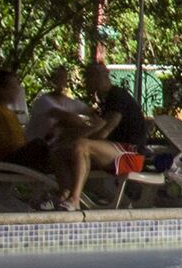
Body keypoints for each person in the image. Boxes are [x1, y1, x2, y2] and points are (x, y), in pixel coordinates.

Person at [29, 54, 159, 209]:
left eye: (90, 77)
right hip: (113, 152)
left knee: (82, 146)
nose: (87, 82)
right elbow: (94, 127)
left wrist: (75, 139)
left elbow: (104, 131)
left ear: (103, 76)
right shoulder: (104, 101)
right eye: (86, 77)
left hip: (132, 155)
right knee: (59, 152)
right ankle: (64, 194)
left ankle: (75, 199)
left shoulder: (117, 96)